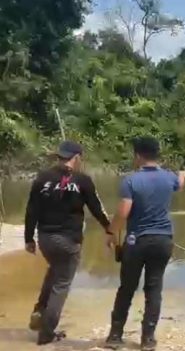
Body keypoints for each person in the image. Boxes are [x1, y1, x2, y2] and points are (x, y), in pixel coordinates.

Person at [24, 140, 112, 345]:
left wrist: (29, 238)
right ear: (77, 158)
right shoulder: (83, 180)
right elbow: (97, 209)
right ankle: (46, 332)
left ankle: (39, 311)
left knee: (54, 271)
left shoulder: (42, 178)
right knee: (61, 284)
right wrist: (110, 229)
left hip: (45, 239)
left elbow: (31, 210)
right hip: (68, 242)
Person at [104, 136, 185, 351]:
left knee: (127, 288)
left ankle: (115, 336)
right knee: (154, 288)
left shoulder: (131, 181)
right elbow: (180, 185)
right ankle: (148, 339)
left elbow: (123, 211)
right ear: (157, 154)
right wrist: (183, 175)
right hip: (163, 240)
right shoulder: (169, 178)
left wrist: (110, 232)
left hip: (137, 241)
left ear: (138, 155)